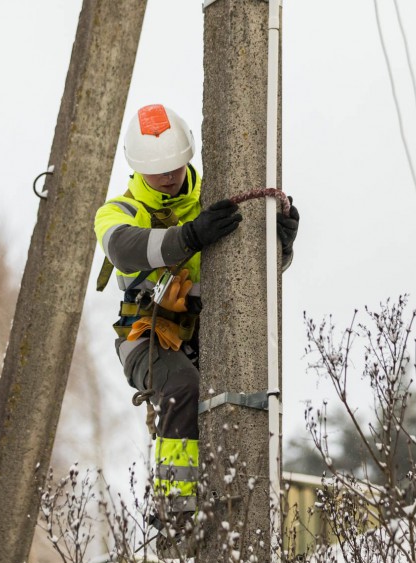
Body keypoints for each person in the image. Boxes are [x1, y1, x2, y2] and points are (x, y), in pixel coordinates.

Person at [93, 103, 299, 534]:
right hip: (147, 337)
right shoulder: (122, 212)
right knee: (182, 388)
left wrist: (278, 247)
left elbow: (245, 282)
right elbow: (123, 249)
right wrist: (188, 237)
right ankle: (175, 509)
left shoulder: (215, 202)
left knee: (245, 400)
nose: (168, 176)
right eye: (157, 170)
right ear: (137, 169)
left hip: (211, 336)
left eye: (174, 165)